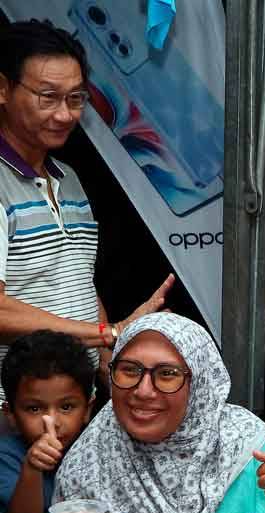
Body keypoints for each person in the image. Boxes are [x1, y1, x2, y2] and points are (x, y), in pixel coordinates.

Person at [35, 313, 265, 513]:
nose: (143, 390)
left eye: (167, 374)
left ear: (200, 384)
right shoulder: (90, 461)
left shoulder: (245, 448)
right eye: (129, 370)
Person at [0, 20, 173, 411]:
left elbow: (77, 281)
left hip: (77, 411)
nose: (65, 115)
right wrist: (104, 332)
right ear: (3, 89)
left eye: (76, 98)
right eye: (47, 97)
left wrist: (113, 368)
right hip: (13, 416)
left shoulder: (70, 180)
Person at [0, 331, 93, 513]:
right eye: (34, 408)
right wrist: (32, 467)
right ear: (9, 413)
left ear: (88, 409)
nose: (52, 422)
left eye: (66, 407)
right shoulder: (7, 455)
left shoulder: (95, 453)